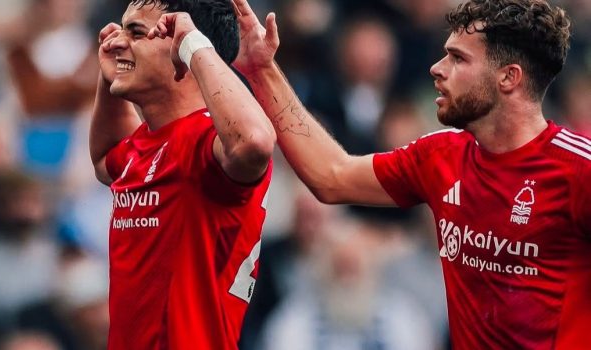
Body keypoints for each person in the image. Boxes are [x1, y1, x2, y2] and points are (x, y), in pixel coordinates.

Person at [230, 0, 590, 348]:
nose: (437, 68)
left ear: (508, 77)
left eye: (458, 58)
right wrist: (263, 71)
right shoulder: (440, 156)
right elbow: (331, 175)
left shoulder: (579, 171)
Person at [89, 0, 275, 347]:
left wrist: (193, 42)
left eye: (136, 32)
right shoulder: (143, 145)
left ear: (182, 50)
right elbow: (104, 159)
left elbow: (256, 141)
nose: (117, 41)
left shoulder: (209, 143)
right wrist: (111, 74)